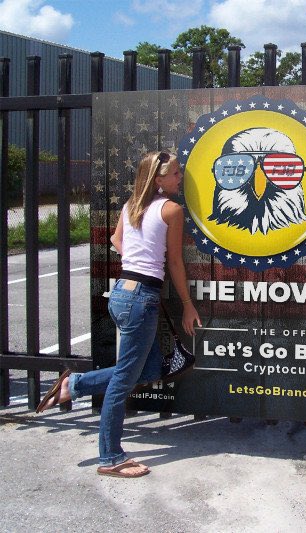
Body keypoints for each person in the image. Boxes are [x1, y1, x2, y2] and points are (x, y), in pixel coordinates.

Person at [36, 150, 202, 478]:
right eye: (175, 173)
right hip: (141, 299)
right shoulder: (171, 210)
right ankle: (111, 457)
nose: (180, 177)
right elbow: (174, 262)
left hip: (122, 293)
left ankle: (75, 384)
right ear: (158, 179)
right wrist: (187, 303)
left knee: (148, 369)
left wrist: (134, 261)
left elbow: (115, 239)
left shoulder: (131, 205)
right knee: (123, 381)